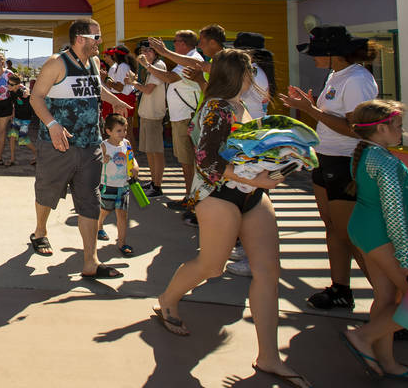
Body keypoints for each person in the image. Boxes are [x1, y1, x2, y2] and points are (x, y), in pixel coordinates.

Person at [154, 49, 310, 388]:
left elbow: (244, 153)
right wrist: (259, 180)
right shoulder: (217, 109)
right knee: (212, 267)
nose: (253, 76)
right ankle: (167, 300)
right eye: (249, 71)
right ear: (236, 75)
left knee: (267, 272)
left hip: (250, 194)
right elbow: (208, 164)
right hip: (218, 196)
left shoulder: (238, 107)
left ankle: (269, 356)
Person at [280, 24, 378, 311]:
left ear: (335, 53)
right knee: (334, 228)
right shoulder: (338, 76)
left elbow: (359, 128)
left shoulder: (357, 79)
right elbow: (332, 117)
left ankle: (395, 305)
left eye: (318, 53)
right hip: (326, 157)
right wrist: (310, 106)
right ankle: (340, 288)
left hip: (347, 162)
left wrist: (311, 110)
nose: (314, 58)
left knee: (352, 234)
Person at [27, 17, 130, 278]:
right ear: (81, 38)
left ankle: (90, 262)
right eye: (97, 37)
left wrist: (116, 101)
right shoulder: (56, 63)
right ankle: (40, 231)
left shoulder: (93, 63)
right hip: (57, 145)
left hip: (90, 144)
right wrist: (52, 124)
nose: (100, 41)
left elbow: (96, 89)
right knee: (47, 192)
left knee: (90, 201)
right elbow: (36, 97)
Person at [340, 100, 408, 381]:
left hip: (368, 232)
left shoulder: (369, 154)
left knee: (386, 298)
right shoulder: (385, 161)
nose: (402, 132)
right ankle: (363, 337)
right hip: (382, 236)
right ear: (381, 128)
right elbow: (392, 211)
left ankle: (388, 362)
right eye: (399, 126)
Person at [225, 31, 277, 277]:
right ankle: (247, 248)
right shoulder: (258, 71)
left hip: (252, 141)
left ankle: (252, 254)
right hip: (253, 139)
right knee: (250, 197)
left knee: (252, 199)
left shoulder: (252, 72)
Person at [140, 30, 204, 214]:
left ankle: (191, 200)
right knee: (185, 160)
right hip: (181, 116)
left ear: (184, 43)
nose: (173, 45)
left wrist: (147, 65)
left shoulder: (192, 58)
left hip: (186, 116)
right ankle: (189, 197)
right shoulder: (185, 59)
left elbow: (168, 78)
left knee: (187, 160)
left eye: (175, 42)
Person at [96, 113, 138, 257]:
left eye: (124, 130)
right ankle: (99, 224)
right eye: (119, 131)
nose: (123, 133)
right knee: (105, 209)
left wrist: (135, 167)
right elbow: (95, 161)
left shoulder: (126, 144)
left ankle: (121, 242)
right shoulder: (104, 146)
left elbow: (132, 158)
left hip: (123, 185)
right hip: (108, 185)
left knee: (122, 214)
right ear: (108, 131)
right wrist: (103, 159)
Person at [132, 42, 167, 197]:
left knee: (156, 152)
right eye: (143, 50)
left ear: (156, 52)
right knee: (149, 151)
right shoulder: (150, 67)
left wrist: (133, 83)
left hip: (153, 115)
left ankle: (157, 185)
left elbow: (148, 90)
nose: (145, 53)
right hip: (147, 115)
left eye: (149, 50)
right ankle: (154, 181)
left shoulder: (158, 66)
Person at [6, 73, 37, 166]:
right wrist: (13, 114)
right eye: (8, 83)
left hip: (26, 119)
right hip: (17, 118)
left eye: (11, 84)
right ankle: (12, 159)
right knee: (12, 136)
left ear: (17, 85)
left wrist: (27, 91)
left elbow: (28, 93)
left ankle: (37, 154)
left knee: (23, 139)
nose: (8, 85)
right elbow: (14, 104)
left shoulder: (22, 92)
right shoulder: (11, 92)